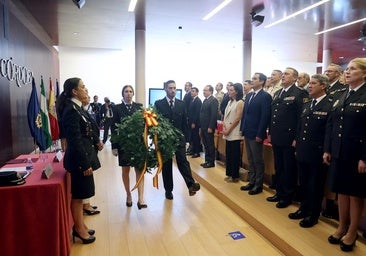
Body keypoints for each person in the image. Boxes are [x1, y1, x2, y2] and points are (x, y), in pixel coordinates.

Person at [323, 58, 366, 252]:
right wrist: (328, 149)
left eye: (353, 69)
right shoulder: (341, 94)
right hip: (339, 151)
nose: (347, 72)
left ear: (364, 73)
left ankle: (352, 231)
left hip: (357, 154)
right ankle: (342, 226)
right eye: (346, 69)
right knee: (341, 191)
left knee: (355, 194)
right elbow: (331, 124)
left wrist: (365, 157)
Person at [58, 77, 100, 244]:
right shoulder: (71, 110)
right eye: (82, 87)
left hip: (82, 157)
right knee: (77, 196)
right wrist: (84, 163)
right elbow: (74, 140)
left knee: (82, 195)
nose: (85, 89)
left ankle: (80, 224)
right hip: (78, 161)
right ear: (74, 91)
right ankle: (78, 229)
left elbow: (87, 130)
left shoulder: (77, 108)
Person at [289, 74, 332, 228]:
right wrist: (297, 144)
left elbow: (329, 131)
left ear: (323, 86)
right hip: (303, 149)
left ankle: (313, 215)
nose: (310, 86)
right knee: (304, 182)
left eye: (314, 83)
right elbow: (301, 127)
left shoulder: (330, 104)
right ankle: (303, 208)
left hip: (317, 152)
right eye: (310, 83)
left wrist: (326, 150)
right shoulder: (307, 103)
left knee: (315, 184)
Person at [267, 67, 308, 208]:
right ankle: (279, 192)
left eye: (287, 74)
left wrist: (297, 137)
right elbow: (274, 115)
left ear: (295, 78)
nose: (283, 76)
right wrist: (270, 132)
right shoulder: (278, 93)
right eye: (283, 74)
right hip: (277, 136)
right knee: (279, 167)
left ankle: (287, 196)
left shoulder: (300, 93)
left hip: (289, 137)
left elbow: (301, 118)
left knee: (289, 168)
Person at [154, 80, 201, 200]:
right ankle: (168, 190)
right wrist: (157, 140)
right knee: (167, 165)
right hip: (165, 139)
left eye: (174, 88)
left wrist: (187, 139)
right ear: (165, 89)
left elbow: (185, 122)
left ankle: (191, 185)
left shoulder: (181, 104)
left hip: (179, 137)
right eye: (170, 88)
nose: (173, 90)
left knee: (183, 161)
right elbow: (156, 123)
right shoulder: (159, 104)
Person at [111, 85, 147, 209]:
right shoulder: (117, 108)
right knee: (125, 171)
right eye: (126, 91)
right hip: (124, 144)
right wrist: (114, 146)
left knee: (139, 170)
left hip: (138, 143)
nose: (128, 93)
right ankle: (128, 194)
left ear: (133, 94)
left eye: (131, 91)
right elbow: (114, 128)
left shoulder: (139, 107)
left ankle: (141, 198)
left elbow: (144, 126)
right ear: (122, 94)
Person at [240, 73, 272, 194]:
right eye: (252, 78)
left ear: (262, 81)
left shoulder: (265, 96)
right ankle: (252, 181)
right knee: (250, 159)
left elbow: (265, 117)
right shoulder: (249, 96)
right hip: (247, 131)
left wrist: (260, 133)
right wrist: (242, 128)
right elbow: (245, 114)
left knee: (258, 160)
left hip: (256, 133)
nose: (252, 80)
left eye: (255, 79)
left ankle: (258, 185)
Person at [81, 92, 103, 215]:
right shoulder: (78, 112)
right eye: (86, 96)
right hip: (86, 148)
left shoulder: (85, 111)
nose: (88, 98)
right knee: (86, 178)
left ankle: (87, 203)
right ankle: (85, 205)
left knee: (88, 178)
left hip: (91, 146)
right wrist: (97, 141)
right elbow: (87, 130)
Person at [222, 83, 244, 183]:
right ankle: (229, 173)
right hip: (227, 130)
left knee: (235, 155)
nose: (229, 92)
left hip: (234, 131)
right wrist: (224, 127)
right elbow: (225, 116)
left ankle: (234, 176)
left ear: (237, 91)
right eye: (229, 90)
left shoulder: (240, 102)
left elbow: (237, 118)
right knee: (229, 154)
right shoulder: (229, 102)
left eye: (231, 90)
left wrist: (229, 130)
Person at [200, 85, 219, 168]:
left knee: (210, 144)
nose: (204, 92)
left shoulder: (213, 100)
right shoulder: (205, 100)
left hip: (208, 127)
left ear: (210, 91)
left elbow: (214, 115)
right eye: (203, 90)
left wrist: (211, 127)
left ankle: (211, 162)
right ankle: (207, 160)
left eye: (206, 90)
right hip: (203, 126)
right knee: (205, 144)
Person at [187, 87, 202, 158]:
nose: (191, 93)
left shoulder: (198, 101)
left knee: (196, 137)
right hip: (190, 121)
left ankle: (197, 152)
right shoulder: (192, 100)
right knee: (192, 137)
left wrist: (194, 122)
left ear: (197, 92)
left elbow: (197, 113)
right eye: (191, 91)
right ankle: (192, 150)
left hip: (195, 123)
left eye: (193, 91)